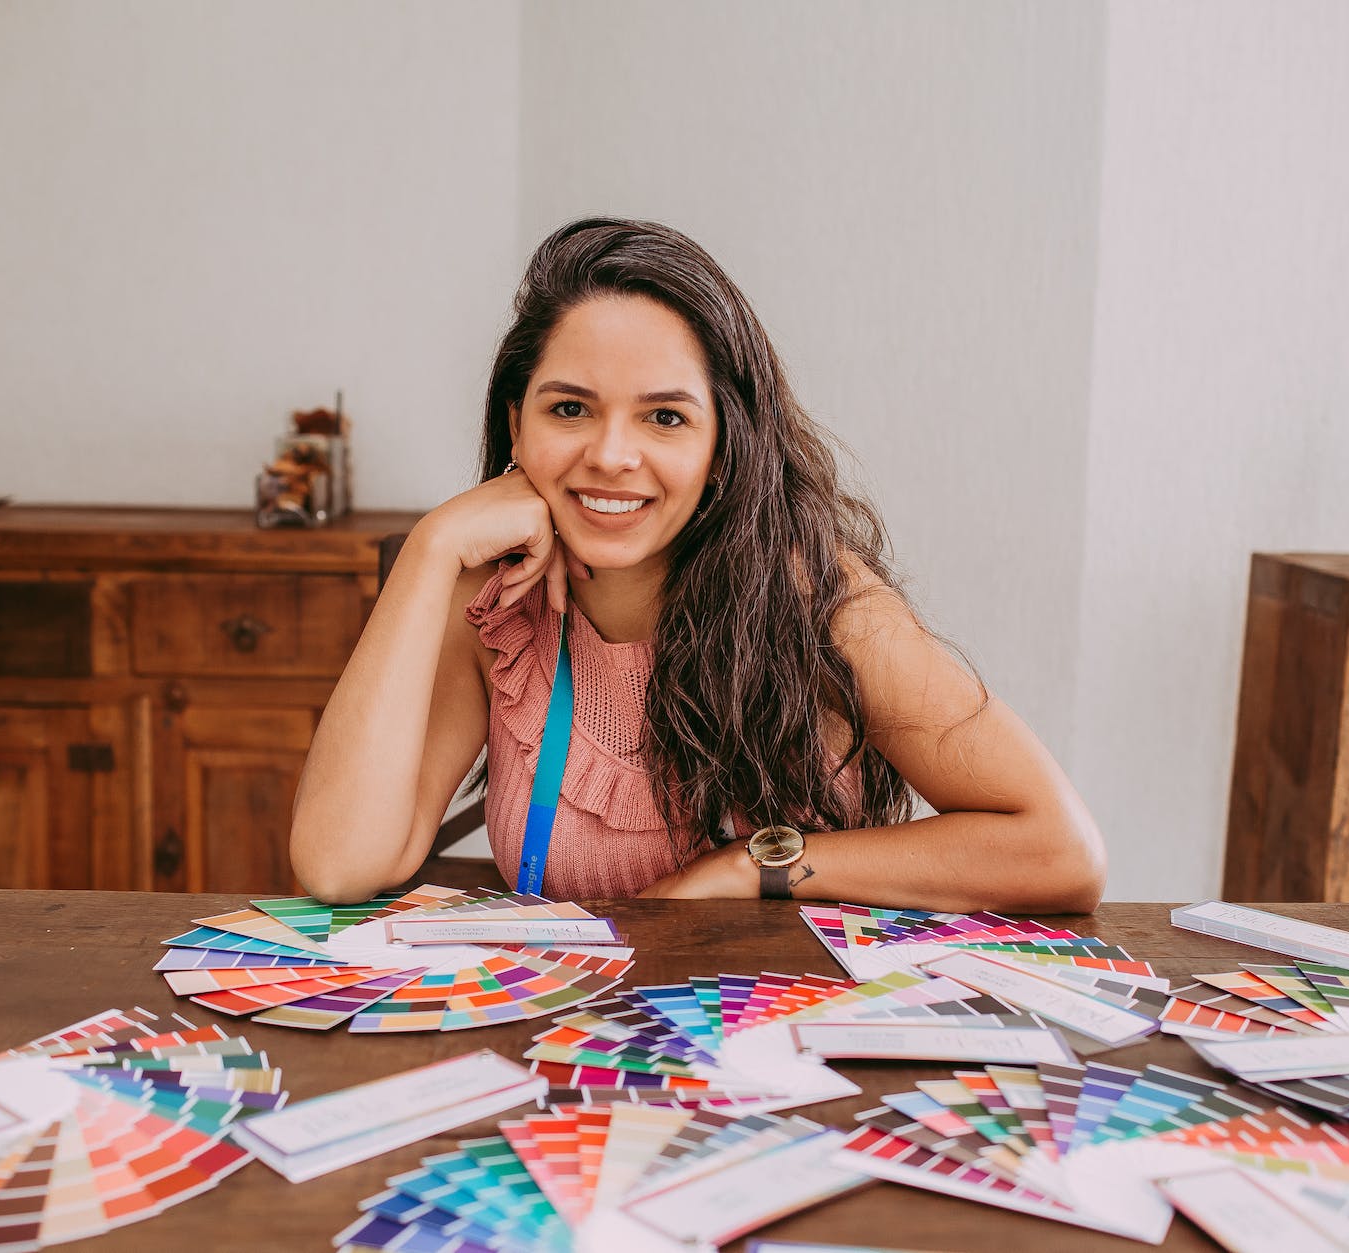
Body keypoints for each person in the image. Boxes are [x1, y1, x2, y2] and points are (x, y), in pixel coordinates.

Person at [289, 217, 1105, 912]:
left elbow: (1058, 850)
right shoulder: (495, 601)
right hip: (577, 1057)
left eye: (666, 417)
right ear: (516, 420)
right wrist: (430, 550)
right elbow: (338, 864)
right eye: (569, 408)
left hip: (774, 1056)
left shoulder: (813, 596)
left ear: (723, 444)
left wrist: (751, 866)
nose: (611, 455)